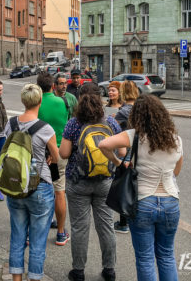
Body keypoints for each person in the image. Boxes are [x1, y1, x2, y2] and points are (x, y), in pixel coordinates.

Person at [98, 95, 183, 281]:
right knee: (167, 255)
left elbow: (103, 144)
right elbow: (176, 170)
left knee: (145, 258)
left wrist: (118, 162)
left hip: (143, 201)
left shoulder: (134, 136)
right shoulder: (176, 139)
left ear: (138, 115)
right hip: (170, 200)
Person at [59, 83, 122, 281]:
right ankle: (109, 270)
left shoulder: (73, 124)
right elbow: (121, 152)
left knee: (79, 227)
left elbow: (64, 153)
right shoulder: (111, 123)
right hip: (105, 181)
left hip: (78, 182)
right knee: (106, 226)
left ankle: (78, 271)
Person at [4, 84, 59, 281]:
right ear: (40, 101)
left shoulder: (10, 124)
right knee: (37, 241)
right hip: (39, 185)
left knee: (17, 237)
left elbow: (6, 149)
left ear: (23, 101)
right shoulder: (45, 128)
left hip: (15, 184)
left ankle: (16, 279)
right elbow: (56, 156)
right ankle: (34, 277)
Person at [37, 72, 70, 246]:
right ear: (52, 86)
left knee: (36, 188)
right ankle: (60, 233)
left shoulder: (36, 104)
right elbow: (66, 124)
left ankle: (33, 232)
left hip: (39, 152)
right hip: (58, 152)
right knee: (59, 192)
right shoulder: (63, 102)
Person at [113, 80, 140, 234]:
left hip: (126, 148)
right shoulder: (139, 107)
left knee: (124, 184)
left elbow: (113, 128)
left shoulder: (124, 111)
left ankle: (124, 223)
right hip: (138, 147)